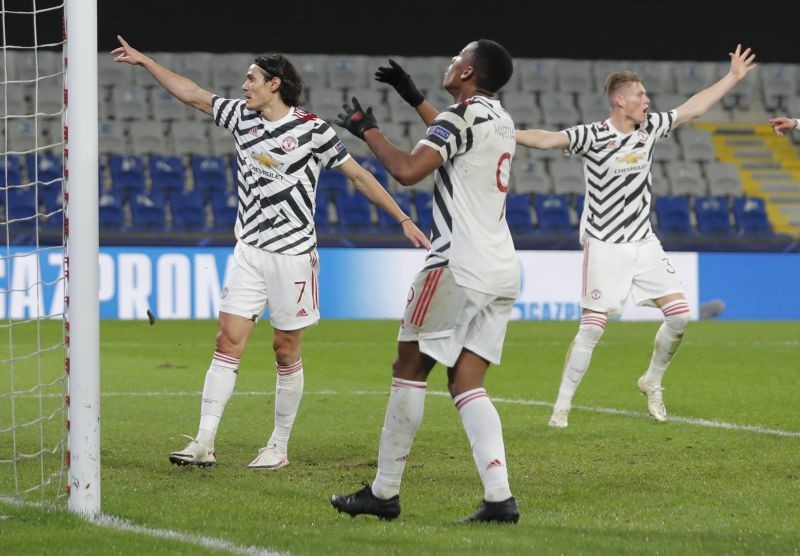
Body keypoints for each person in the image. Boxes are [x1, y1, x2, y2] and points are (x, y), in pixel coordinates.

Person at [111, 36, 429, 470]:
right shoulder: (242, 118)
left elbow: (358, 176)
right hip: (249, 251)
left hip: (294, 256)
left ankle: (278, 445)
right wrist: (147, 61)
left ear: (274, 84)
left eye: (251, 79)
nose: (244, 86)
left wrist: (403, 220)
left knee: (285, 349)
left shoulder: (313, 130)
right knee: (227, 342)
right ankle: (204, 441)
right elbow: (192, 93)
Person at [329, 39, 521, 524]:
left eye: (458, 57)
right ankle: (500, 499)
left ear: (469, 72)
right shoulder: (498, 118)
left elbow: (408, 170)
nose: (450, 62)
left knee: (409, 369)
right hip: (501, 269)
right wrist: (412, 96)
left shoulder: (460, 118)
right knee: (467, 383)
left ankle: (384, 491)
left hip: (456, 266)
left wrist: (367, 131)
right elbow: (454, 132)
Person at [515, 44, 757, 428]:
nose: (647, 100)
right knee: (592, 328)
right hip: (604, 244)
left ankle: (652, 381)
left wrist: (732, 77)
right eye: (640, 95)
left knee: (679, 317)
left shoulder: (650, 129)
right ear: (619, 101)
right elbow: (546, 139)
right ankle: (561, 407)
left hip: (643, 242)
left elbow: (693, 108)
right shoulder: (591, 136)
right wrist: (502, 132)